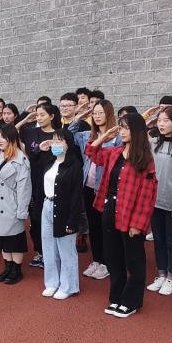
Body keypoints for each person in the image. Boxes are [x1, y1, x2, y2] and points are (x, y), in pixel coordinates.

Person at [85, 113, 158, 318]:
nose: (122, 131)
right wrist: (104, 136)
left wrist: (138, 224)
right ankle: (117, 297)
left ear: (137, 131)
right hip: (110, 210)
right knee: (113, 257)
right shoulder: (114, 152)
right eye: (120, 127)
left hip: (131, 214)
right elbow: (91, 152)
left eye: (126, 128)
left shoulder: (144, 159)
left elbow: (147, 195)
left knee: (134, 260)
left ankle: (131, 301)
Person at [21, 103, 79, 270]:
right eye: (37, 115)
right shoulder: (31, 132)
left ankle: (58, 258)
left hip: (57, 185)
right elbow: (12, 134)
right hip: (37, 183)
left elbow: (70, 159)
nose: (39, 118)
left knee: (58, 224)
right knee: (37, 221)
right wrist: (38, 149)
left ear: (52, 116)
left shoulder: (60, 136)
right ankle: (42, 253)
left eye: (42, 115)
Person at [38, 132, 84, 299]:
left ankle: (68, 286)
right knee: (48, 248)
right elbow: (34, 163)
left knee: (66, 250)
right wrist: (40, 149)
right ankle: (52, 283)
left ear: (68, 144)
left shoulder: (74, 165)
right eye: (54, 140)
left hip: (64, 209)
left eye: (60, 140)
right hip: (47, 205)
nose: (55, 144)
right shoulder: (49, 160)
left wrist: (73, 221)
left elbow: (76, 195)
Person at [75, 100, 118, 281]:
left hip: (106, 189)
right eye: (95, 113)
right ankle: (97, 260)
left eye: (101, 112)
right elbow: (68, 134)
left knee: (106, 227)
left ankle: (108, 263)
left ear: (109, 114)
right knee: (93, 226)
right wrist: (78, 117)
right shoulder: (87, 135)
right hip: (88, 186)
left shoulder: (117, 137)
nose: (97, 116)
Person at [0, 124, 32, 285]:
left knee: (14, 239)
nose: (0, 140)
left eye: (3, 137)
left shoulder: (21, 159)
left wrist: (22, 211)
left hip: (11, 204)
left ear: (12, 138)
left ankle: (17, 270)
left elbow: (24, 188)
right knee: (2, 238)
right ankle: (8, 267)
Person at [146, 106, 172, 296]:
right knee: (158, 239)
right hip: (154, 201)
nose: (161, 124)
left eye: (166, 120)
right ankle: (161, 274)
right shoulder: (154, 143)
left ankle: (171, 277)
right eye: (159, 120)